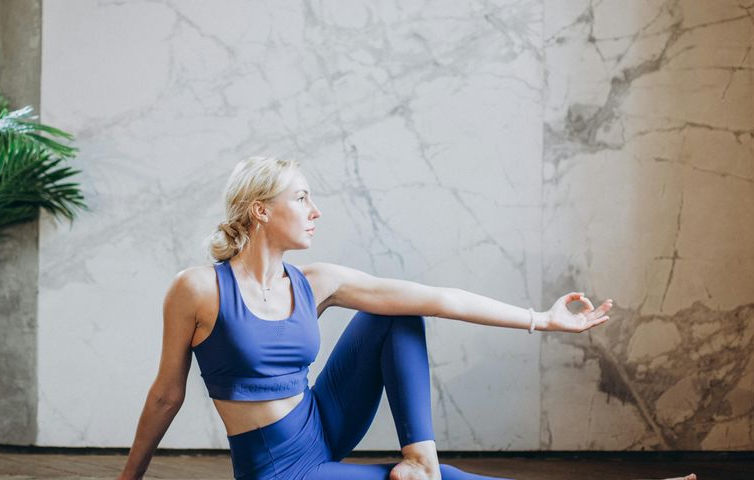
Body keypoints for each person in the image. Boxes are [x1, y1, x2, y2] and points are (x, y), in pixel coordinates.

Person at [116, 157, 696, 480]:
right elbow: (167, 394)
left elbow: (437, 297)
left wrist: (540, 320)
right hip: (277, 469)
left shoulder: (314, 282)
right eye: (302, 198)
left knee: (396, 313)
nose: (315, 211)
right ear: (261, 210)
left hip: (324, 422)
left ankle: (422, 456)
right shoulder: (196, 290)